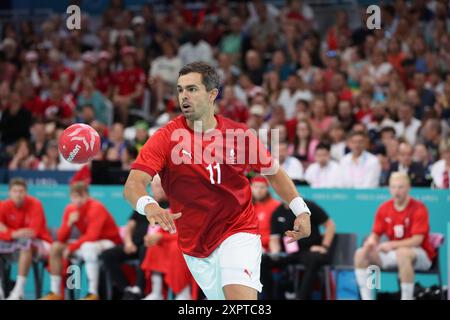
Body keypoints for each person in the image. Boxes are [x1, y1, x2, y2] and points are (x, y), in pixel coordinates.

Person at [124, 62, 311, 300]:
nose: (184, 96)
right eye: (180, 90)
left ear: (212, 94)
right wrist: (148, 205)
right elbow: (133, 185)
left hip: (238, 229)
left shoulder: (239, 134)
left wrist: (301, 211)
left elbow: (273, 172)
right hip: (196, 244)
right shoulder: (165, 137)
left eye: (192, 89)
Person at [354, 172, 436, 300]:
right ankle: (368, 297)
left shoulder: (419, 208)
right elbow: (375, 234)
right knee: (361, 254)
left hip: (420, 255)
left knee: (402, 253)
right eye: (393, 187)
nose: (396, 191)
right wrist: (371, 242)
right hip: (394, 253)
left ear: (409, 188)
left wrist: (391, 245)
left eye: (400, 187)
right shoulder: (383, 208)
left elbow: (417, 240)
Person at [40, 182, 122, 300]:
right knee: (56, 247)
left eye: (81, 196)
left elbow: (92, 236)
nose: (78, 200)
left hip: (109, 242)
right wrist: (69, 223)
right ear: (70, 198)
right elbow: (61, 238)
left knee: (88, 246)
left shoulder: (96, 207)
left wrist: (71, 248)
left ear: (87, 196)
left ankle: (92, 293)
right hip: (89, 243)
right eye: (74, 197)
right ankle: (55, 292)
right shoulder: (70, 209)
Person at [260, 199, 335, 300]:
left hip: (309, 250)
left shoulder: (308, 206)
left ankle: (302, 297)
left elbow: (330, 225)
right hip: (289, 253)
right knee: (264, 260)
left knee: (314, 259)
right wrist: (275, 252)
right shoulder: (277, 212)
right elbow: (274, 239)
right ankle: (269, 298)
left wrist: (324, 247)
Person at [141, 175, 194, 300]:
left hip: (191, 240)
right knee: (155, 246)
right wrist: (156, 237)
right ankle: (157, 291)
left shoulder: (189, 203)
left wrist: (161, 237)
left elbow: (187, 232)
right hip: (175, 239)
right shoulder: (164, 205)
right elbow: (167, 229)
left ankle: (183, 292)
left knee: (176, 249)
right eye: (154, 187)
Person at [0, 178, 52, 300]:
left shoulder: (36, 204)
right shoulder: (2, 206)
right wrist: (14, 234)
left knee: (26, 245)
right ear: (9, 193)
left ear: (26, 192)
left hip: (40, 244)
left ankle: (18, 291)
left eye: (21, 191)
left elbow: (34, 232)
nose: (18, 194)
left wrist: (7, 231)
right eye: (15, 191)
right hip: (13, 245)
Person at [99, 210, 149, 299]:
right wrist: (128, 242)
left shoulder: (169, 208)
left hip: (150, 246)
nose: (156, 194)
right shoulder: (143, 206)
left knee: (145, 249)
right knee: (107, 255)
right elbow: (129, 227)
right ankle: (126, 289)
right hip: (133, 245)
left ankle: (138, 289)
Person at [251, 176, 280, 252]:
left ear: (267, 188)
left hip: (270, 247)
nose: (259, 190)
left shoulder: (276, 206)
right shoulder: (246, 206)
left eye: (262, 187)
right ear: (251, 187)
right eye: (256, 187)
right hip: (250, 245)